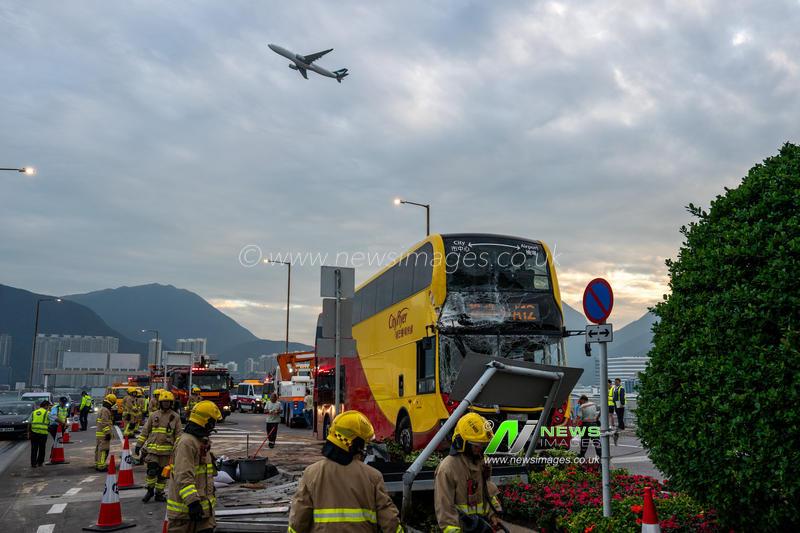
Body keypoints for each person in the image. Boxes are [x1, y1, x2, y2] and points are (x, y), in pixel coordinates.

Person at [288, 410, 403, 533]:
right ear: (357, 444)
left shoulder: (311, 473)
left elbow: (298, 522)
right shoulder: (373, 476)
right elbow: (390, 521)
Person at [434, 412, 503, 532]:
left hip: (480, 527)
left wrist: (493, 514)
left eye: (483, 445)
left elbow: (487, 491)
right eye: (476, 445)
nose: (480, 449)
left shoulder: (483, 463)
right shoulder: (447, 468)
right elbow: (445, 508)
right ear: (461, 443)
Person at [167, 400, 221, 533]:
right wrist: (193, 503)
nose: (213, 426)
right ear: (205, 421)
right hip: (185, 514)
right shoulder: (187, 443)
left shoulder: (201, 441)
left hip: (203, 513)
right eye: (212, 422)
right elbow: (183, 476)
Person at [137, 390, 182, 503]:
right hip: (152, 450)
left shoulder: (175, 417)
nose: (166, 404)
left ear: (171, 403)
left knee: (163, 475)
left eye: (168, 402)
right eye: (164, 402)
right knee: (151, 471)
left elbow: (178, 435)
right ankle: (150, 490)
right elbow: (145, 431)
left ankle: (159, 493)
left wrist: (178, 449)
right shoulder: (154, 415)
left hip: (167, 452)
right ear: (160, 403)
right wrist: (139, 445)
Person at [95, 394, 116, 471]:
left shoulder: (102, 409)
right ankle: (101, 465)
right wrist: (107, 433)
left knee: (99, 449)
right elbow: (105, 422)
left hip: (100, 433)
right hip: (104, 434)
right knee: (104, 449)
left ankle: (98, 463)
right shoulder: (106, 410)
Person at [29, 400, 51, 468]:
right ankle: (40, 463)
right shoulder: (47, 413)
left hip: (34, 433)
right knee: (42, 448)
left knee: (34, 449)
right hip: (43, 434)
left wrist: (28, 432)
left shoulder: (34, 412)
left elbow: (29, 423)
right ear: (46, 406)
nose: (48, 408)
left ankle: (33, 464)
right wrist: (62, 422)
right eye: (48, 406)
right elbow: (54, 419)